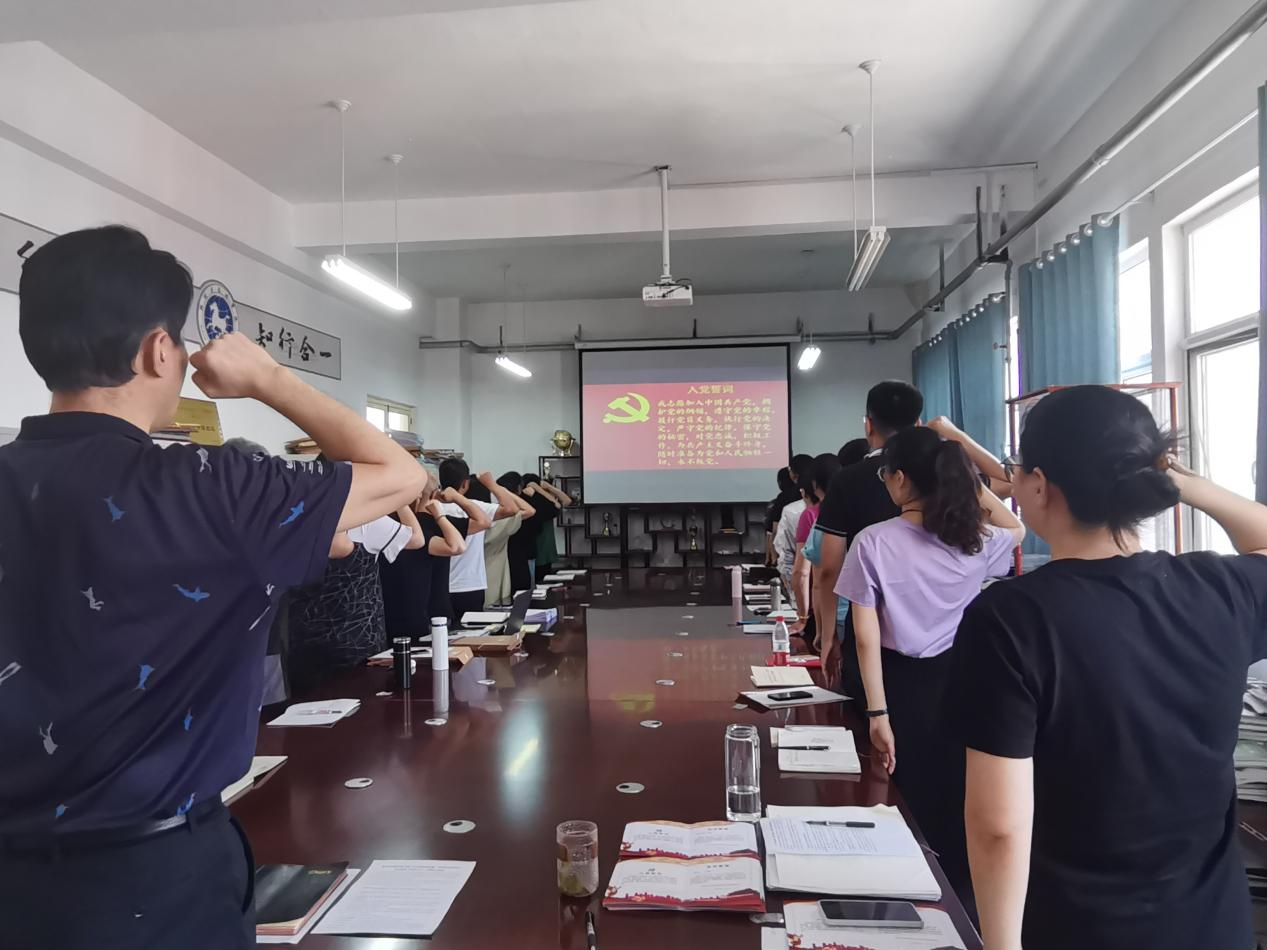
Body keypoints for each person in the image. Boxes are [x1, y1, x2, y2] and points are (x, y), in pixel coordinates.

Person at [0, 226, 424, 949]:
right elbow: (402, 475)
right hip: (152, 882)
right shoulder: (211, 486)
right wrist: (269, 379)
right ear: (158, 351)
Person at [948, 386, 1267, 950]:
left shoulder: (1012, 618)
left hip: (1076, 926)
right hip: (1212, 926)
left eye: (1017, 467)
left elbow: (999, 826)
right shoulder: (1219, 588)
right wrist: (1187, 485)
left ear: (1040, 484)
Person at [836, 426, 1023, 897]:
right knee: (952, 792)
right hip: (960, 678)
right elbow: (1017, 529)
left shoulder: (872, 541)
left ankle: (897, 889)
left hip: (896, 681)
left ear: (899, 478)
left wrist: (877, 712)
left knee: (897, 792)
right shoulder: (973, 538)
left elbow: (866, 636)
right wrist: (967, 480)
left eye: (884, 474)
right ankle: (956, 898)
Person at [816, 381, 925, 680]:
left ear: (868, 424)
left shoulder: (847, 480)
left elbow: (829, 568)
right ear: (919, 423)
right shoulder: (941, 474)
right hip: (938, 630)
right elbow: (1004, 484)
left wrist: (829, 634)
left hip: (868, 624)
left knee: (867, 703)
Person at [438, 460, 528, 622]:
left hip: (440, 587)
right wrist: (492, 485)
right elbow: (512, 509)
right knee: (472, 633)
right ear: (465, 484)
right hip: (470, 585)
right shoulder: (476, 508)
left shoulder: (432, 508)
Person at [379, 485, 467, 640]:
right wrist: (439, 515)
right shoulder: (416, 533)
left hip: (390, 615)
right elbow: (457, 546)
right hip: (414, 616)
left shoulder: (381, 529)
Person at [789, 453, 841, 639]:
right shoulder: (856, 512)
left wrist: (804, 618)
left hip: (827, 613)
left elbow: (804, 573)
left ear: (814, 485)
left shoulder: (813, 516)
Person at [470, 476, 524, 608]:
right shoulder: (499, 521)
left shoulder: (462, 521)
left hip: (472, 580)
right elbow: (528, 510)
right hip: (498, 577)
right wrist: (498, 488)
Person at [512, 473, 572, 592]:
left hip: (544, 551)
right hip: (536, 550)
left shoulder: (542, 501)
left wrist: (548, 488)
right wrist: (540, 489)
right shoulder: (535, 502)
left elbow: (566, 500)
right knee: (536, 585)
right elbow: (557, 505)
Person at [774, 453, 815, 612]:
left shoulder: (796, 512)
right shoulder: (843, 509)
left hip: (803, 592)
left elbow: (786, 556)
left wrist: (793, 591)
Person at [764, 466, 798, 567]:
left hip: (784, 550)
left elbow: (773, 531)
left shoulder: (781, 498)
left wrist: (772, 559)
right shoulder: (803, 494)